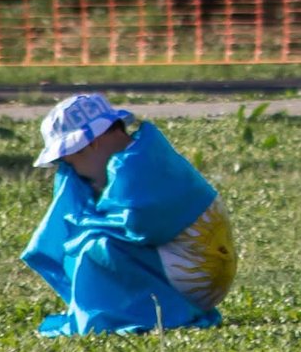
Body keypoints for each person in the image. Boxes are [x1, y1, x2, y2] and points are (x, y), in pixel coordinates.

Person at [22, 93, 238, 337]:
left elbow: (140, 224)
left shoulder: (128, 168)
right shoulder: (149, 153)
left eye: (71, 164)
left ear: (90, 144)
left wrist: (88, 224)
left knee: (92, 247)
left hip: (194, 280)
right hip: (209, 276)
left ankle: (125, 316)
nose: (74, 174)